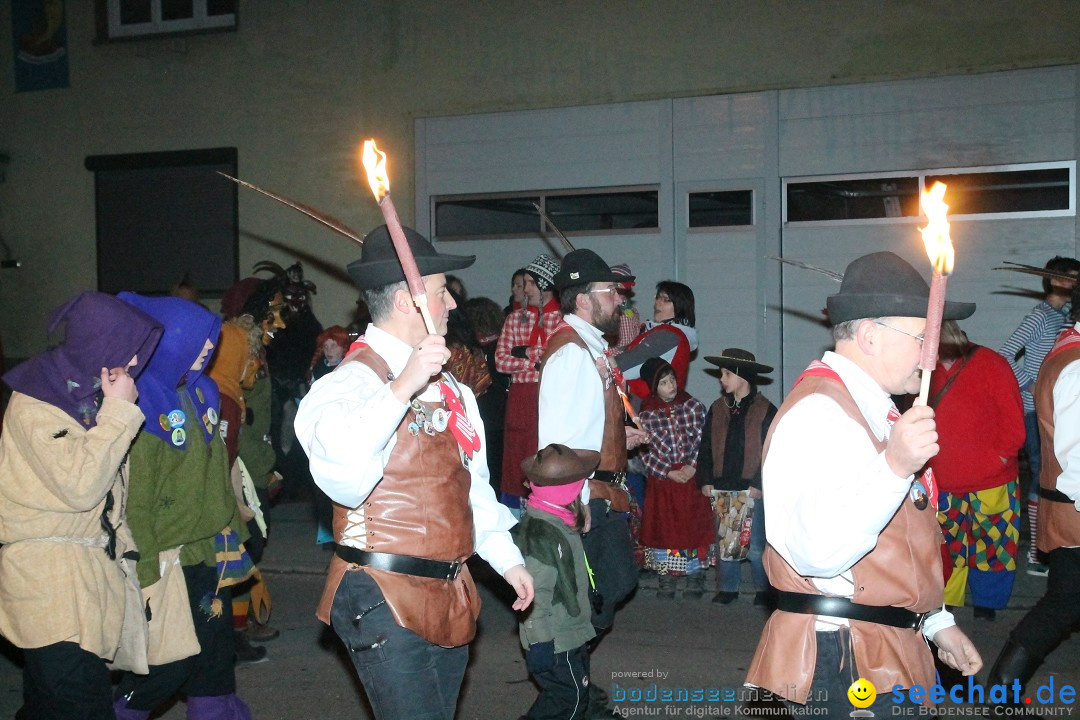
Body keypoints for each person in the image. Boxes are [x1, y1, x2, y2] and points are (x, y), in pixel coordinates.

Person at [293, 224, 533, 720]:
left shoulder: (454, 390)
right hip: (382, 594)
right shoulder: (349, 384)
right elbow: (342, 475)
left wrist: (508, 561)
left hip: (450, 591)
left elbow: (471, 489)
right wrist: (401, 387)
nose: (451, 305)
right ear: (409, 300)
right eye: (443, 292)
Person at [745, 251, 982, 715]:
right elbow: (819, 554)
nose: (934, 352)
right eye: (922, 337)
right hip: (846, 661)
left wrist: (934, 622)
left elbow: (895, 545)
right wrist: (893, 467)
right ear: (871, 336)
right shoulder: (820, 413)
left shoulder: (876, 406)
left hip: (888, 647)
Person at [0, 292, 162, 720]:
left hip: (81, 578)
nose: (132, 363)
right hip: (49, 582)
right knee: (81, 706)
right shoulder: (37, 404)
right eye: (126, 350)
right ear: (98, 346)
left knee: (47, 707)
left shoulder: (84, 402)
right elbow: (82, 485)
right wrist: (118, 414)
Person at [113, 293, 254, 720]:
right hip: (171, 554)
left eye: (210, 346)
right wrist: (147, 567)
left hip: (209, 547)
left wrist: (234, 531)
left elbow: (215, 473)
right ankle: (122, 711)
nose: (207, 354)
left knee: (213, 653)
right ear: (169, 345)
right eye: (198, 346)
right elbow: (137, 500)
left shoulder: (202, 392)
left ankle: (215, 709)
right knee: (168, 657)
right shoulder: (144, 405)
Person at [538, 248, 648, 719]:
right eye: (610, 292)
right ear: (584, 300)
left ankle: (572, 686)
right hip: (587, 497)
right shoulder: (569, 352)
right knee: (591, 600)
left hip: (605, 493)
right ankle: (568, 691)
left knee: (613, 587)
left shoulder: (590, 347)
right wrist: (576, 500)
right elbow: (557, 438)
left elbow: (585, 421)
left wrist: (620, 434)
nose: (619, 302)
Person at [987, 280, 1080, 696]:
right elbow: (1076, 453)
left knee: (1066, 602)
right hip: (1075, 509)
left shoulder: (1067, 350)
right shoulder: (1076, 364)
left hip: (1068, 507)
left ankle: (1003, 689)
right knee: (1064, 603)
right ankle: (1003, 690)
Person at [927, 320, 1024, 622]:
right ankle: (947, 601)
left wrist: (999, 459)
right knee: (947, 544)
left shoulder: (992, 364)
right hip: (943, 481)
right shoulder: (923, 374)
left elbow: (1014, 426)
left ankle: (988, 602)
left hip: (992, 479)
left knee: (994, 544)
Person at [998, 255, 1080, 576]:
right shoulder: (1040, 316)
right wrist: (1030, 384)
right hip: (1037, 409)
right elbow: (1005, 352)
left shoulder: (1061, 317)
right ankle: (1036, 552)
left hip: (1057, 407)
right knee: (1041, 474)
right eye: (1073, 277)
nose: (1076, 283)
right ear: (1057, 280)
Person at [513, 444, 600, 720]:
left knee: (567, 696)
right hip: (555, 638)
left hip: (569, 630)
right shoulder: (543, 534)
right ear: (570, 489)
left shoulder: (557, 518)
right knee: (571, 699)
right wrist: (540, 644)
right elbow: (535, 595)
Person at [697, 349, 777, 607]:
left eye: (727, 374)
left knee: (755, 547)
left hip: (751, 488)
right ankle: (728, 588)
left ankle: (763, 590)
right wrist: (706, 478)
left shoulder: (765, 409)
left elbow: (771, 450)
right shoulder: (718, 409)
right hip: (724, 486)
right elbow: (706, 446)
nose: (722, 379)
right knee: (727, 544)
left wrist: (759, 482)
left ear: (742, 377)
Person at [635, 357, 711, 599]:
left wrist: (692, 466)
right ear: (653, 387)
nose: (671, 386)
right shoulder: (646, 414)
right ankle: (666, 577)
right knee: (664, 529)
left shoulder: (692, 406)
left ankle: (695, 576)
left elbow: (701, 439)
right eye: (664, 382)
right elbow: (645, 452)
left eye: (672, 380)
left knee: (693, 527)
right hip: (664, 483)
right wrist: (667, 471)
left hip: (689, 480)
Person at [496, 254, 563, 513]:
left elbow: (556, 360)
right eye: (524, 283)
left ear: (546, 284)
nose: (525, 289)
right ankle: (514, 514)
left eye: (531, 283)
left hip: (550, 396)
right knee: (517, 454)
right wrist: (530, 360)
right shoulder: (515, 319)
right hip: (522, 397)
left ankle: (547, 507)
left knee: (546, 449)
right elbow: (501, 361)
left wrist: (525, 352)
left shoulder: (562, 319)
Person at [617, 280, 698, 400]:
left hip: (647, 409)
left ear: (681, 306)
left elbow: (625, 365)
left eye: (665, 300)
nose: (658, 303)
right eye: (658, 298)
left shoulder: (669, 335)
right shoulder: (664, 333)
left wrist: (597, 365)